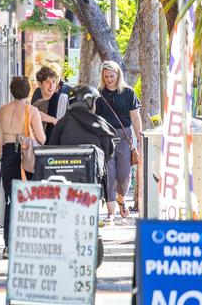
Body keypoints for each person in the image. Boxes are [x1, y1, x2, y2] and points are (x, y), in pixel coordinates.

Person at [0, 76, 46, 259]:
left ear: (11, 90)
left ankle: (8, 244)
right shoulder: (31, 110)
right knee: (26, 199)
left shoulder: (2, 110)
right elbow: (41, 139)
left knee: (11, 200)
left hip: (7, 154)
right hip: (24, 156)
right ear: (28, 91)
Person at [95, 60, 142, 224]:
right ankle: (110, 212)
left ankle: (121, 200)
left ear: (118, 75)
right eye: (106, 76)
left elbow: (135, 117)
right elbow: (95, 118)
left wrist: (139, 138)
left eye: (111, 76)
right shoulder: (98, 94)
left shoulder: (128, 92)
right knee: (109, 175)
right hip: (105, 138)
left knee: (124, 175)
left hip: (124, 137)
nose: (109, 79)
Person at [48, 85, 117, 190]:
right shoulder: (99, 123)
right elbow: (108, 153)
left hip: (64, 181)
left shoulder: (62, 122)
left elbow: (51, 148)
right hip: (92, 180)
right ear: (89, 102)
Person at [32, 66, 69, 141]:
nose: (51, 86)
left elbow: (67, 128)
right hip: (39, 148)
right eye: (47, 82)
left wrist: (51, 119)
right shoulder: (36, 105)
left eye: (53, 81)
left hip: (57, 147)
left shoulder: (61, 99)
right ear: (39, 84)